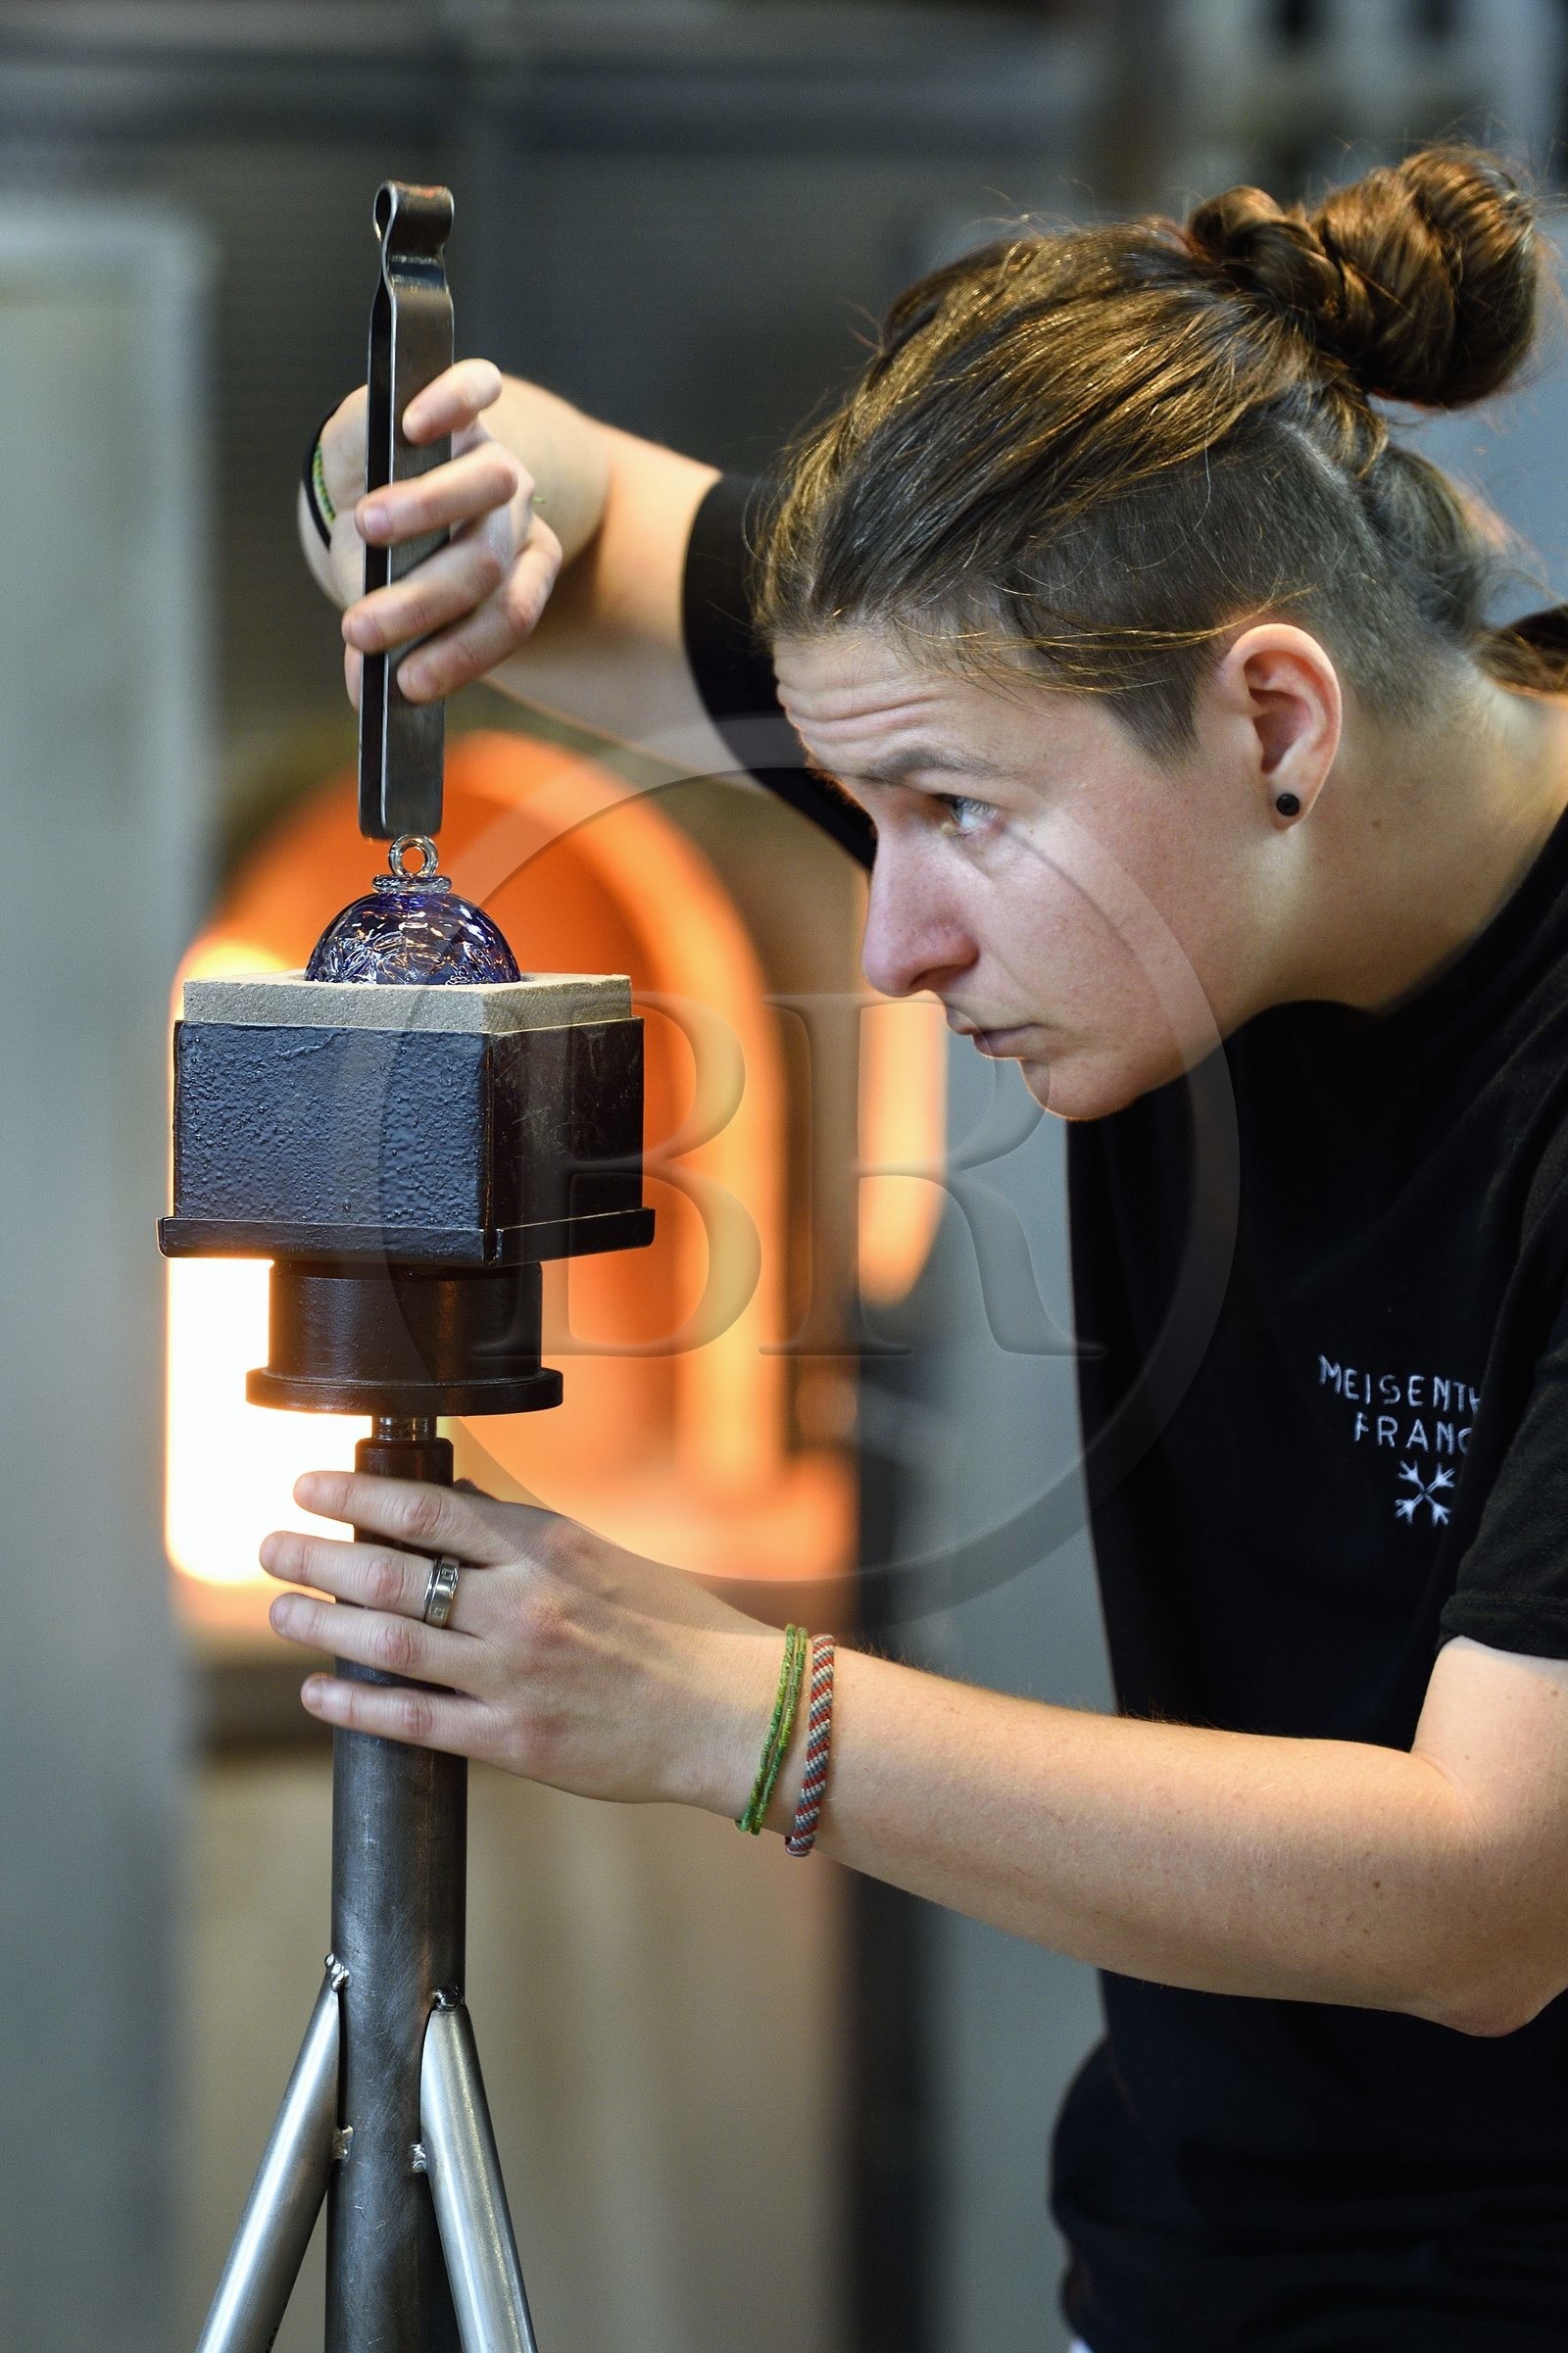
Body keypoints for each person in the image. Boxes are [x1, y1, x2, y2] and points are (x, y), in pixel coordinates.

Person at [272, 147, 1568, 2351]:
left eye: (953, 816)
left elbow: (1485, 1888)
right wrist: (415, 495)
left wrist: (733, 1710)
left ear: (1273, 721)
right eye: (867, 813)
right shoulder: (1058, 713)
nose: (888, 945)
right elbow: (556, 497)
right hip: (1187, 2261)